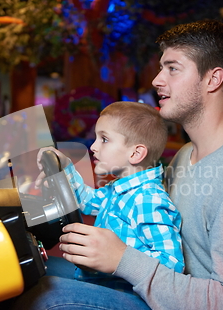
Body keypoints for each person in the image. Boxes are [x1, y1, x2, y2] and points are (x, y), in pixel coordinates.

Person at [2, 19, 223, 310]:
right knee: (22, 271)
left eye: (172, 68)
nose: (156, 79)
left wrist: (122, 259)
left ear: (213, 79)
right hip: (155, 297)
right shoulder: (185, 156)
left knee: (48, 303)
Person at [37, 101, 184, 292]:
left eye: (104, 139)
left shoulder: (148, 199)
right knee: (35, 269)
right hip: (99, 280)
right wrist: (66, 167)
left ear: (135, 153)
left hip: (123, 294)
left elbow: (172, 266)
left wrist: (118, 256)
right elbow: (87, 201)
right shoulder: (119, 188)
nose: (93, 147)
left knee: (43, 292)